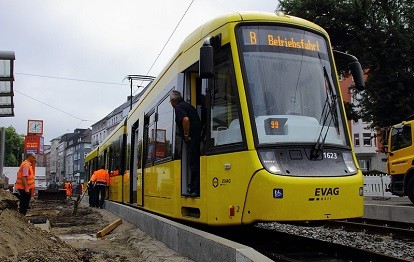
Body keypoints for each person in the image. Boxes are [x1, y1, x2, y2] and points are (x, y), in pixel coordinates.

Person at [170, 90, 201, 197]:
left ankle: (194, 190)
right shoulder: (188, 106)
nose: (171, 104)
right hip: (197, 137)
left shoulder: (179, 108)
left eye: (170, 101)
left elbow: (186, 120)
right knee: (195, 162)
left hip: (192, 139)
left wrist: (186, 135)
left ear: (174, 101)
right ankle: (194, 188)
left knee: (193, 164)